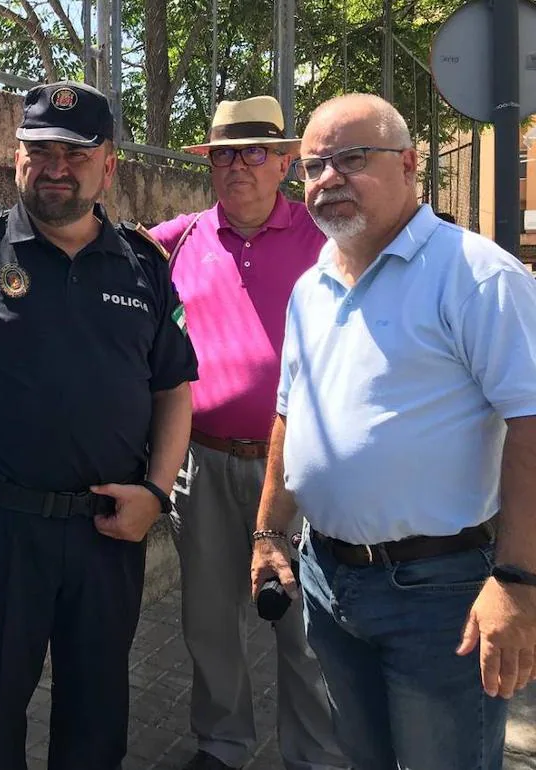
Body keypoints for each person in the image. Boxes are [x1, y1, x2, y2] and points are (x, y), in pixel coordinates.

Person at [0, 81, 197, 770]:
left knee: (96, 718)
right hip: (1, 529)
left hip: (110, 529)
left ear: (109, 166)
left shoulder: (143, 265)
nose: (56, 167)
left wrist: (157, 490)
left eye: (76, 153)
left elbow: (175, 386)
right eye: (40, 151)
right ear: (17, 157)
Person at [251, 93, 536, 769]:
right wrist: (268, 533)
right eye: (315, 165)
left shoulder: (476, 276)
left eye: (353, 158)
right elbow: (291, 416)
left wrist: (519, 580)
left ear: (409, 164)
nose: (328, 178)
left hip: (441, 593)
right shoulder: (311, 286)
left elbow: (531, 424)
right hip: (328, 582)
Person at [147, 96, 345, 770]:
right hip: (198, 462)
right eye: (224, 154)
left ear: (286, 163)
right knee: (208, 621)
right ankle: (223, 744)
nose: (237, 166)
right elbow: (101, 245)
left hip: (295, 471)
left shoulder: (326, 239)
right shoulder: (179, 238)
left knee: (306, 628)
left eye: (254, 152)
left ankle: (316, 758)